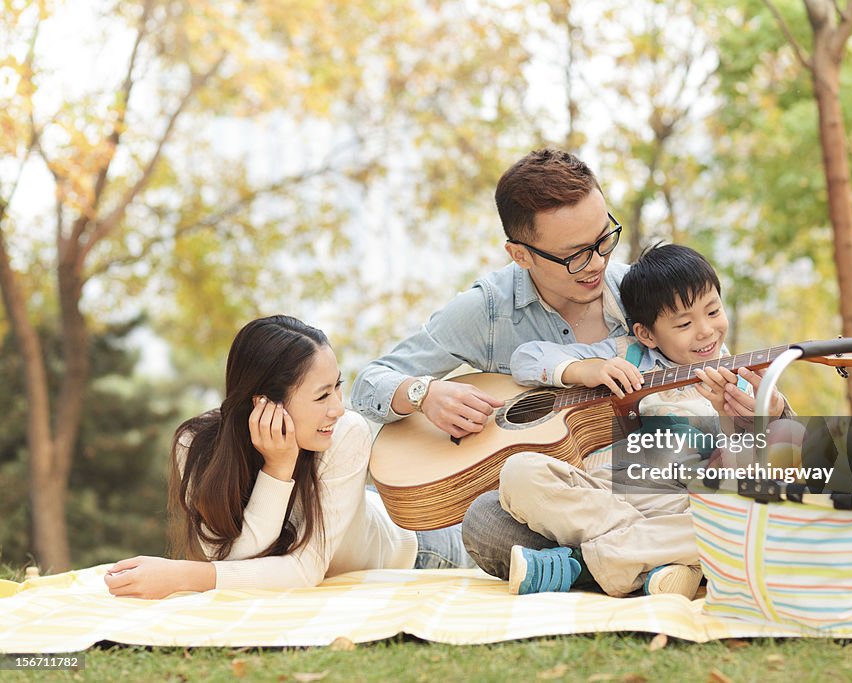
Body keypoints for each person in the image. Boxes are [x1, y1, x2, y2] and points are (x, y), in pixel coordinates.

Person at [351, 149, 636, 575]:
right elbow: (368, 382)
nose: (597, 263)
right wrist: (425, 393)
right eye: (575, 254)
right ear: (520, 255)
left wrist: (747, 411)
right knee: (486, 523)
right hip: (548, 507)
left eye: (604, 239)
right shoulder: (487, 312)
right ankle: (638, 561)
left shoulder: (640, 293)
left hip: (641, 485)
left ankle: (588, 567)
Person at [105, 316, 472, 600]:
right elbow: (233, 562)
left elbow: (304, 571)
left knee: (509, 547)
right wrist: (276, 468)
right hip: (371, 524)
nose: (338, 409)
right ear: (265, 403)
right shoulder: (195, 445)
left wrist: (183, 575)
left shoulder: (346, 435)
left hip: (421, 549)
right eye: (321, 396)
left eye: (338, 388)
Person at [500, 244, 790, 597]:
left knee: (760, 507)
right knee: (519, 473)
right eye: (684, 323)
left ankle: (592, 562)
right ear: (647, 334)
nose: (706, 331)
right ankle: (661, 562)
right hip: (605, 497)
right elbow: (526, 357)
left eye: (713, 311)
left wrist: (747, 420)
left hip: (682, 503)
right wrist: (587, 369)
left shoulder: (742, 381)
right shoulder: (626, 355)